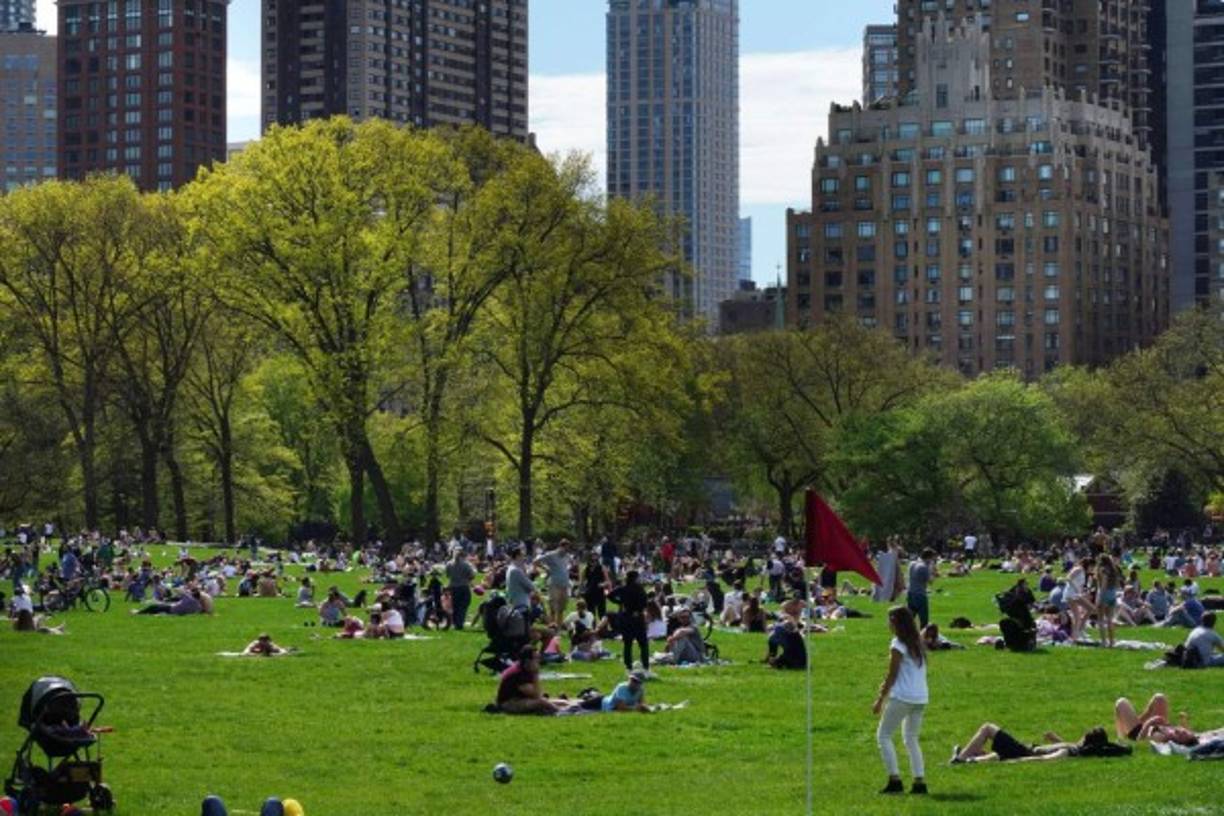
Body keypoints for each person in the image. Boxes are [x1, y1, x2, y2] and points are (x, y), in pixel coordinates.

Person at [873, 606, 928, 795]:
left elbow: (892, 674)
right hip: (921, 697)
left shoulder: (897, 644)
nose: (888, 623)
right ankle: (919, 781)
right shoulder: (917, 642)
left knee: (883, 736)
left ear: (896, 622)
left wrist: (880, 699)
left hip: (903, 696)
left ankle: (894, 779)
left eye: (890, 620)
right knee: (912, 739)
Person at [949, 723, 1079, 763]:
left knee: (987, 728)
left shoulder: (1071, 750)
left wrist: (1017, 761)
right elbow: (1064, 747)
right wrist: (1056, 739)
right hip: (1025, 750)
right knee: (994, 755)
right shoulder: (1076, 747)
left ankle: (960, 759)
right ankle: (970, 758)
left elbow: (1043, 758)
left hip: (1025, 752)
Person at [495, 645, 564, 715]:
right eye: (536, 658)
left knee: (559, 702)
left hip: (521, 699)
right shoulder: (519, 674)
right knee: (542, 702)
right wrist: (535, 673)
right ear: (528, 661)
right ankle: (563, 712)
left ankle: (569, 706)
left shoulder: (524, 668)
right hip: (508, 704)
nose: (539, 661)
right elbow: (536, 696)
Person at [608, 570, 650, 673]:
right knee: (643, 644)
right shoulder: (640, 589)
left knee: (627, 644)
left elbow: (609, 595)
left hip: (626, 617)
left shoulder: (622, 588)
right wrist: (638, 611)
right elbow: (645, 603)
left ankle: (628, 667)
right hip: (638, 618)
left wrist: (620, 602)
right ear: (635, 578)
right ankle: (645, 667)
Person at [1095, 553, 1122, 647]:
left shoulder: (1102, 569)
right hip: (1112, 594)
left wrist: (1099, 597)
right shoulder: (1113, 569)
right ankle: (1112, 642)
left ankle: (1103, 642)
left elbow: (1103, 583)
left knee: (1101, 620)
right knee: (1110, 619)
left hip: (1104, 593)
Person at [445, 547, 475, 630]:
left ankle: (455, 622)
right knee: (463, 606)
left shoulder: (449, 564)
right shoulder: (466, 565)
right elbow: (472, 576)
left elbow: (447, 575)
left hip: (453, 587)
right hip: (463, 587)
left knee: (455, 606)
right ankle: (459, 623)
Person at [906, 549, 935, 629]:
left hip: (910, 592)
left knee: (910, 617)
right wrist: (931, 569)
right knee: (924, 619)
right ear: (929, 557)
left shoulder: (912, 563)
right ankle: (922, 636)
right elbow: (931, 581)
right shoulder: (924, 567)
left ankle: (906, 634)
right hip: (920, 594)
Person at [504, 548, 535, 612]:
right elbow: (531, 587)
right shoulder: (516, 571)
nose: (524, 558)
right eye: (523, 556)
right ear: (518, 556)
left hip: (515, 603)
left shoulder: (511, 568)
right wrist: (525, 571)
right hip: (521, 606)